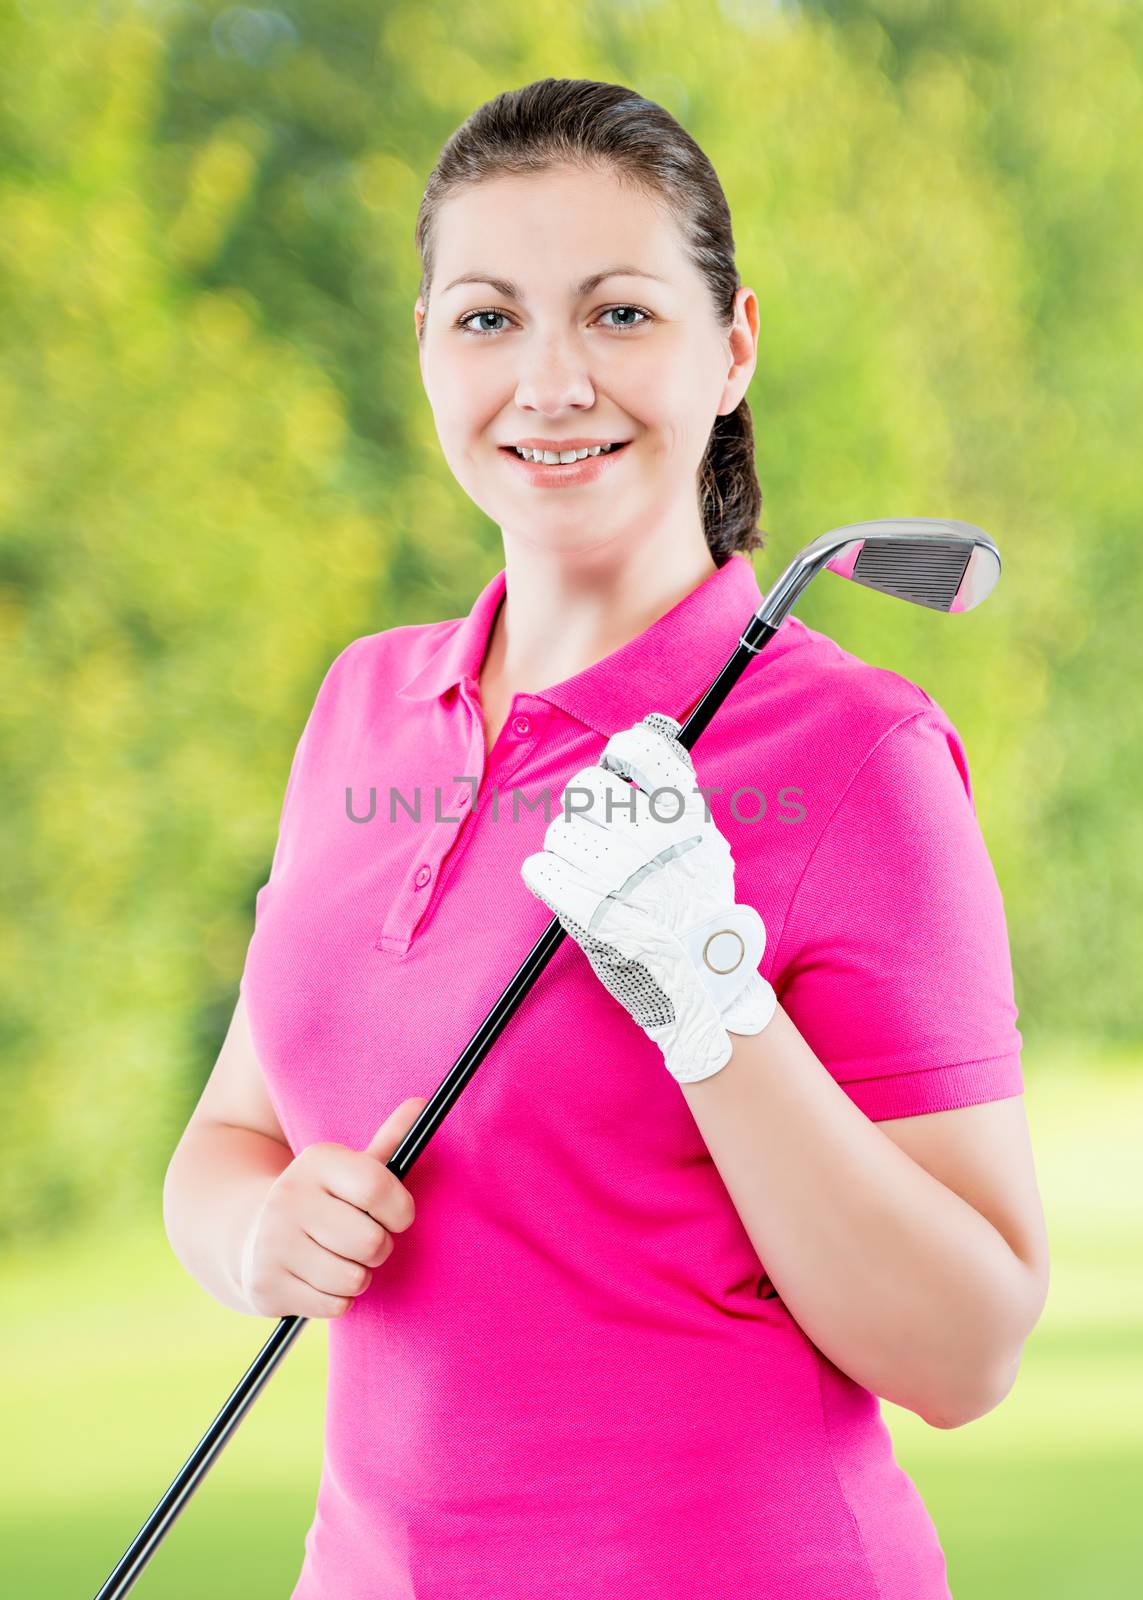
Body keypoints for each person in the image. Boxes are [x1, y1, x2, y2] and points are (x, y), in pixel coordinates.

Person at [163, 78, 1050, 1599]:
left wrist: (710, 1000)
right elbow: (233, 1137)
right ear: (427, 353)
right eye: (489, 319)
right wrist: (260, 1237)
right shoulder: (364, 706)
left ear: (734, 349)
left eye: (621, 315)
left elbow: (969, 1348)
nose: (552, 382)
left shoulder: (857, 758)